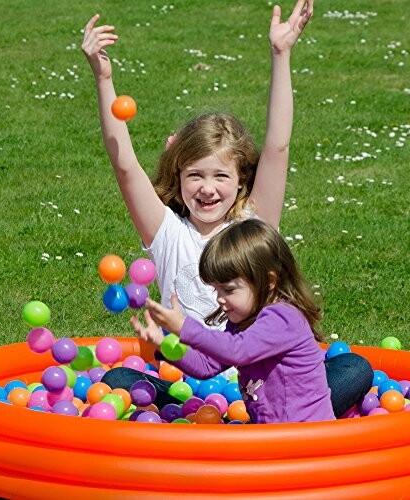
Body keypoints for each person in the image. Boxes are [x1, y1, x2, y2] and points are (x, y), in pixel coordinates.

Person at [82, 0, 313, 325]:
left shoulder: (253, 226)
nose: (207, 188)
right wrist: (103, 78)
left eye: (220, 175)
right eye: (195, 175)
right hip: (183, 373)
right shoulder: (167, 233)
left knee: (352, 368)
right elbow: (125, 166)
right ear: (178, 176)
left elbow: (277, 147)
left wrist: (281, 54)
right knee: (121, 378)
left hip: (251, 375)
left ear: (240, 179)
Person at [132, 218, 337, 423]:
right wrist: (163, 344)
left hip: (304, 437)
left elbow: (237, 351)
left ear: (269, 281)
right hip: (273, 434)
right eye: (216, 289)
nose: (219, 299)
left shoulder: (284, 317)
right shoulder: (242, 323)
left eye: (228, 290)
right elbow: (205, 366)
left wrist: (184, 327)